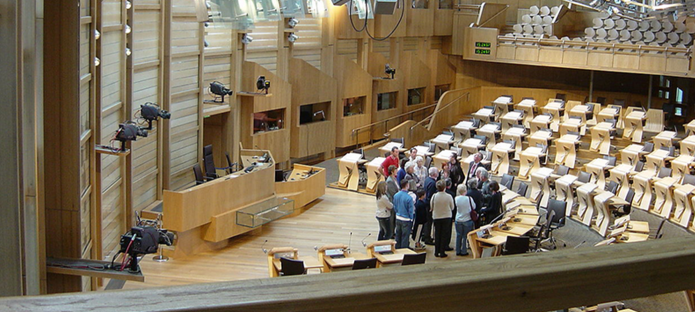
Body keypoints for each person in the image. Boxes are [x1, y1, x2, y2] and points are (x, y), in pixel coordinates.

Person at [431, 180, 454, 257]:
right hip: (446, 217)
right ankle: (442, 251)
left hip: (436, 216)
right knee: (444, 234)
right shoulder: (449, 196)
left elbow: (431, 206)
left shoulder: (434, 196)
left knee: (437, 234)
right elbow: (452, 207)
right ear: (445, 187)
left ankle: (436, 251)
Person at [393, 179, 415, 249]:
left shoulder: (396, 195)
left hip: (398, 217)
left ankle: (397, 249)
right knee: (405, 237)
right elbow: (410, 210)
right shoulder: (409, 198)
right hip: (406, 219)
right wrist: (411, 219)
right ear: (407, 185)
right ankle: (404, 252)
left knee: (398, 235)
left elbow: (395, 206)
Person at [454, 184, 475, 256]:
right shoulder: (469, 199)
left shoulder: (456, 198)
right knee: (465, 236)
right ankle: (464, 250)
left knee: (458, 235)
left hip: (458, 219)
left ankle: (457, 250)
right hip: (467, 219)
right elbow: (474, 207)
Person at [422, 167, 439, 245]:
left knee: (427, 222)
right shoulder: (432, 183)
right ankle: (427, 238)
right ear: (434, 174)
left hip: (425, 203)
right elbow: (431, 196)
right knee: (428, 222)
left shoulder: (427, 179)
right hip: (428, 205)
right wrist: (432, 206)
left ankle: (425, 236)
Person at [385, 165, 399, 237]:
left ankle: (393, 232)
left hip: (395, 201)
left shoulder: (394, 179)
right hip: (392, 201)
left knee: (394, 218)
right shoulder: (389, 181)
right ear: (392, 172)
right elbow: (393, 192)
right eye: (395, 170)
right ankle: (391, 233)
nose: (397, 171)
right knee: (392, 218)